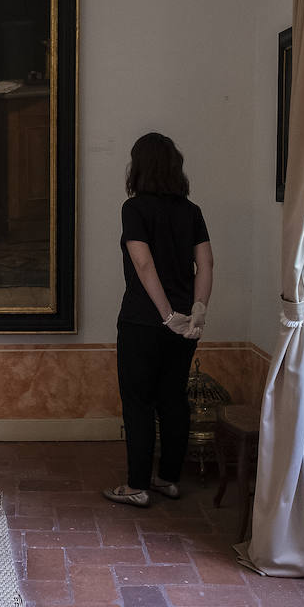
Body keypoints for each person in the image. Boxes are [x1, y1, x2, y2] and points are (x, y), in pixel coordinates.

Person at [103, 133, 214, 508]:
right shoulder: (191, 210)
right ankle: (167, 479)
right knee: (173, 399)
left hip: (142, 321)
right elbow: (206, 264)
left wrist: (166, 315)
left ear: (139, 167)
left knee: (138, 403)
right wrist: (196, 310)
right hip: (186, 326)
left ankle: (136, 485)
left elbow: (143, 263)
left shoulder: (133, 209)